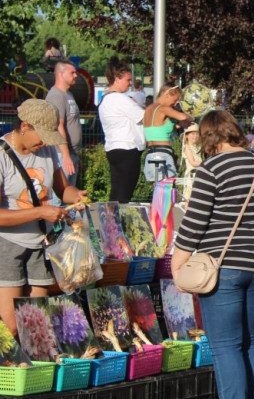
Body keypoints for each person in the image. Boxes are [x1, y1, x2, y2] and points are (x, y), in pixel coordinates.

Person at [171, 111, 254, 399]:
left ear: (208, 137)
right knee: (250, 341)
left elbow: (194, 224)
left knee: (226, 346)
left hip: (224, 264)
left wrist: (177, 266)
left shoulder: (210, 170)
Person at [0, 100, 87, 334]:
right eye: (42, 136)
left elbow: (63, 190)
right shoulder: (2, 156)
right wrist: (40, 212)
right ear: (25, 126)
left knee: (36, 325)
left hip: (41, 245)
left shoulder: (47, 151)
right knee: (11, 327)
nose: (45, 143)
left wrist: (76, 196)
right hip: (7, 247)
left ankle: (31, 368)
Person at [98, 58, 145, 203]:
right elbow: (144, 117)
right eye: (128, 80)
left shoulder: (105, 99)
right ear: (117, 78)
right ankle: (117, 224)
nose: (130, 83)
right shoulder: (119, 99)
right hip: (127, 149)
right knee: (124, 196)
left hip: (114, 148)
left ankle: (112, 224)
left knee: (116, 194)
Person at [143, 84, 192, 183]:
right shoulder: (163, 108)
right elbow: (183, 117)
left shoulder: (149, 109)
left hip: (151, 153)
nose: (175, 104)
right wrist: (192, 116)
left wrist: (177, 126)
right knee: (167, 189)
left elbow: (158, 129)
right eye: (175, 100)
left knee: (158, 190)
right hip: (163, 154)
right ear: (167, 94)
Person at [45, 59, 82, 187]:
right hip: (61, 155)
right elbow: (57, 126)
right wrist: (66, 156)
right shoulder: (56, 96)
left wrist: (74, 155)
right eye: (72, 73)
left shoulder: (68, 94)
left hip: (71, 154)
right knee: (61, 196)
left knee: (70, 198)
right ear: (61, 74)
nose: (76, 75)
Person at [180, 123, 203, 200]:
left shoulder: (198, 147)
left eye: (197, 134)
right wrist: (205, 163)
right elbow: (192, 162)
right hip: (192, 173)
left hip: (199, 172)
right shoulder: (187, 148)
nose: (195, 136)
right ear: (187, 136)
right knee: (189, 196)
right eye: (193, 134)